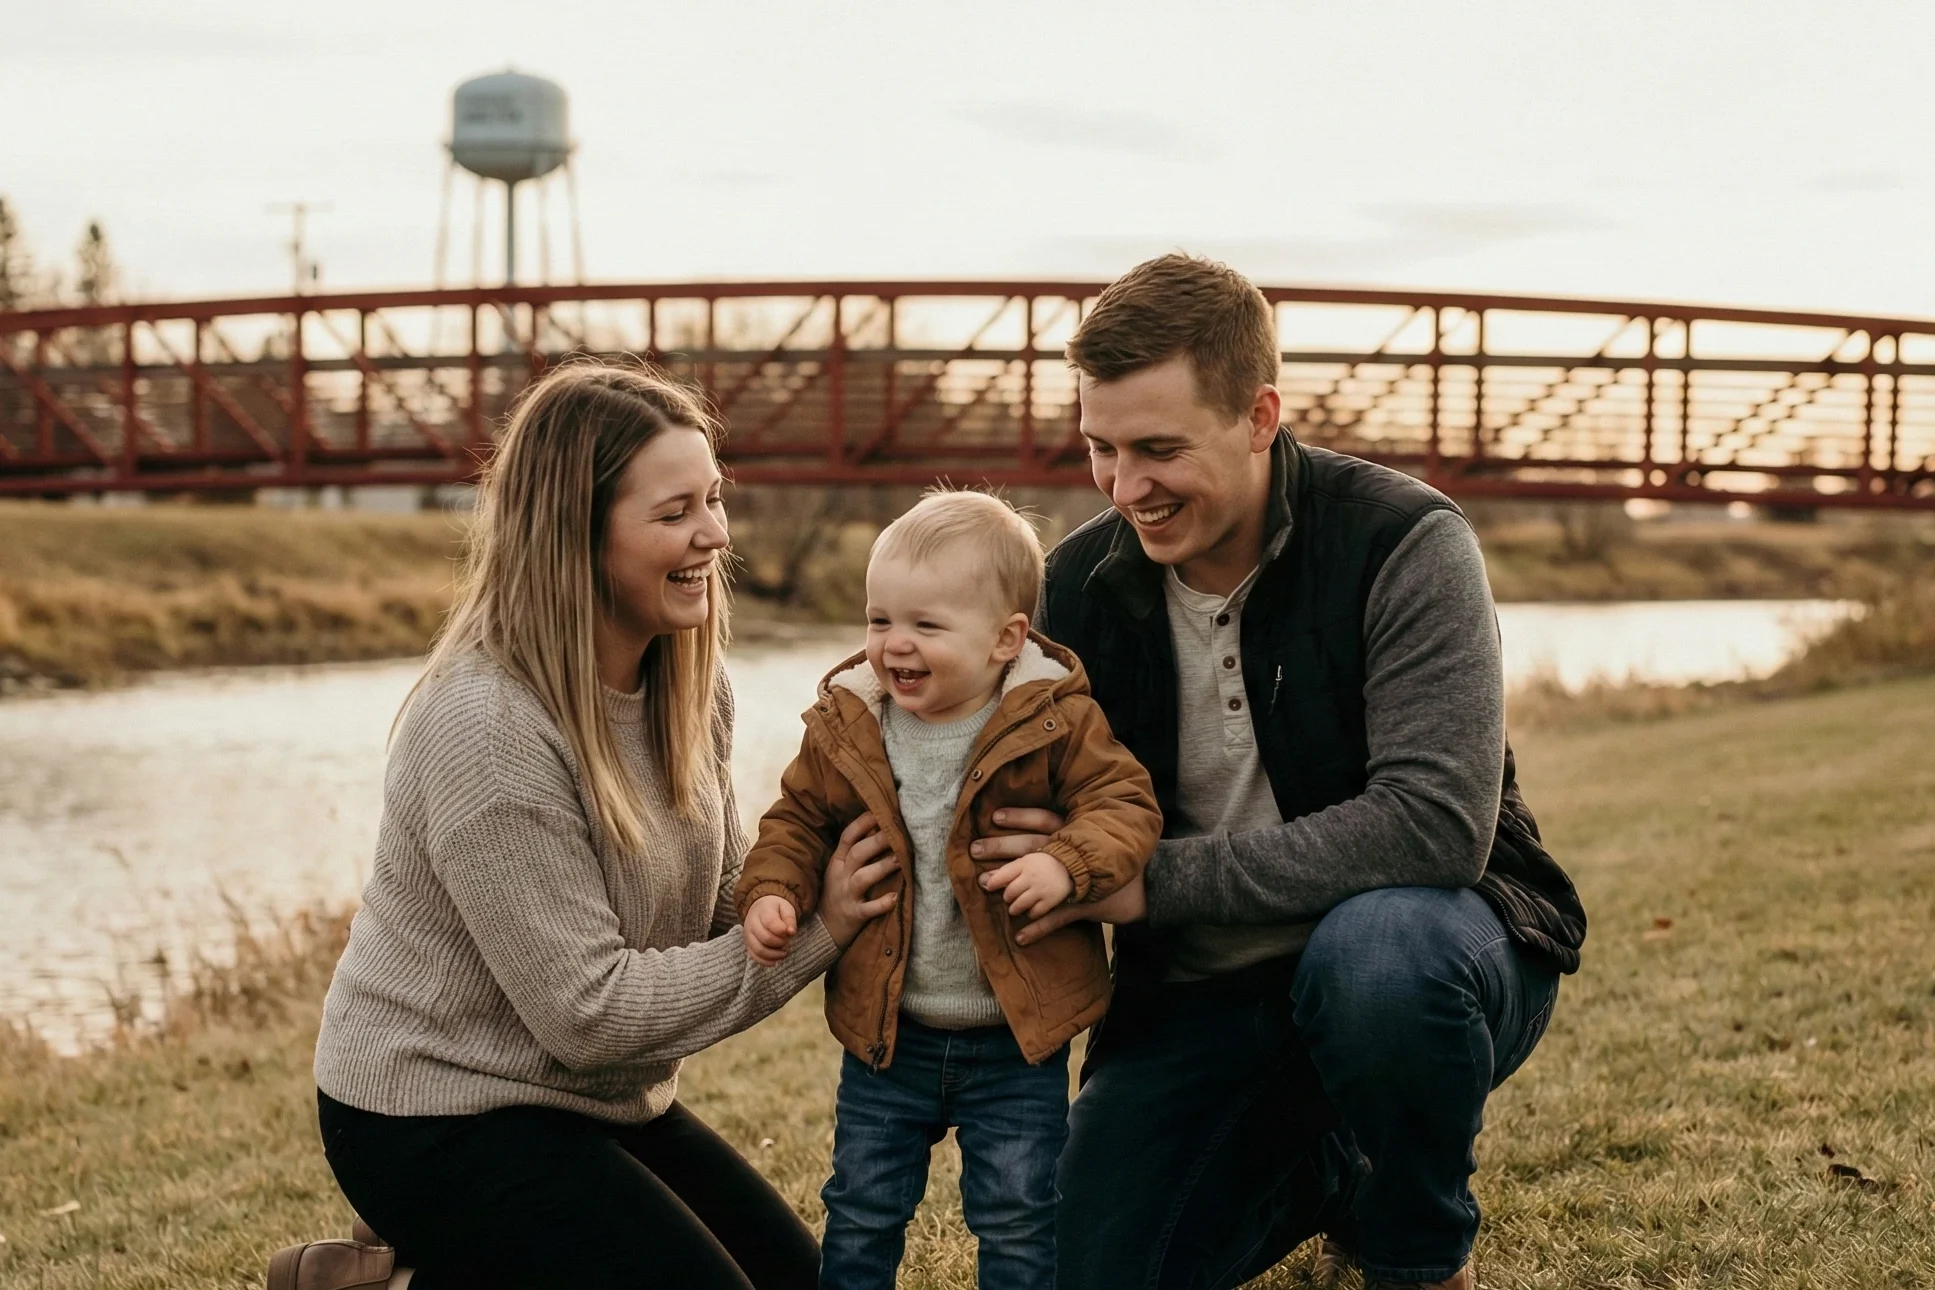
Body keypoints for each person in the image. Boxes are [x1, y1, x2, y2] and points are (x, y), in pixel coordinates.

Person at [977, 255, 1590, 1290]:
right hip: (1201, 996)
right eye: (1101, 449)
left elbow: (1434, 828)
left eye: (1160, 449)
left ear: (1260, 416)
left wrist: (1147, 882)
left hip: (1426, 955)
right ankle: (1325, 1163)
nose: (1128, 488)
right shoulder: (1075, 589)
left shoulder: (1405, 541)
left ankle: (1413, 1250)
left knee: (1379, 962)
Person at [268, 360, 900, 1290]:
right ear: (577, 533)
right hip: (433, 1111)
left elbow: (724, 913)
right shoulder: (485, 726)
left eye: (714, 499)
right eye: (675, 511)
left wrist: (832, 850)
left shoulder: (687, 684)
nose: (715, 534)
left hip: (598, 1100)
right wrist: (822, 930)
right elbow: (589, 1013)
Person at [733, 489, 1162, 1290]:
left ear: (1006, 640)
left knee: (1018, 1214)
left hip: (1014, 1037)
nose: (894, 645)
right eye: (878, 619)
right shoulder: (851, 720)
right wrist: (772, 893)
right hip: (888, 1033)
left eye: (926, 626)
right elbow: (796, 821)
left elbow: (1123, 804)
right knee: (861, 1206)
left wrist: (1067, 861)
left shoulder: (1055, 720)